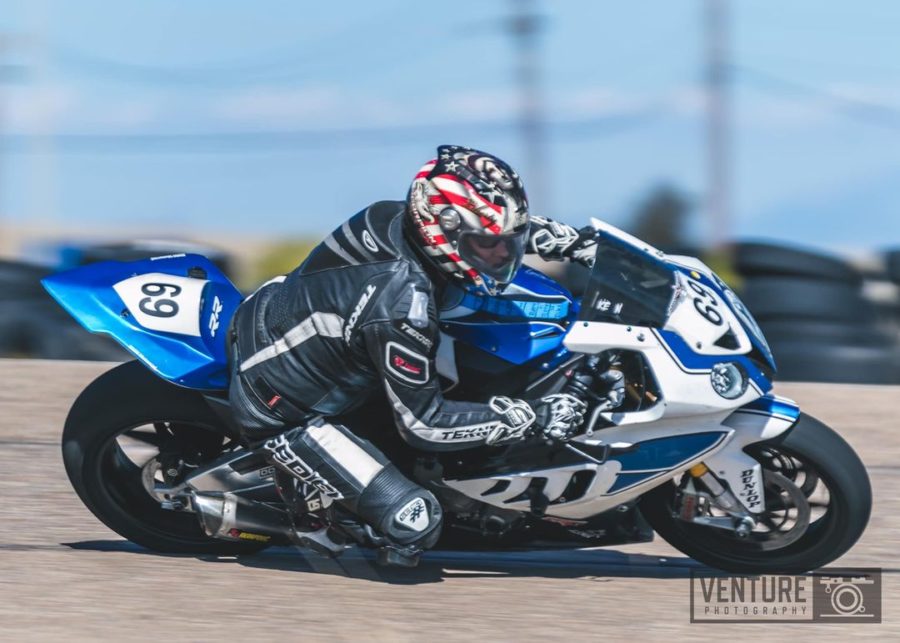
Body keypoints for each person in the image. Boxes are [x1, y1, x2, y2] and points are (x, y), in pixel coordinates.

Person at [228, 144, 599, 565]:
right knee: (417, 522)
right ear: (440, 232)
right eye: (486, 245)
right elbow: (424, 425)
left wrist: (563, 241)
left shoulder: (393, 215)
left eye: (506, 243)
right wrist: (530, 417)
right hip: (286, 408)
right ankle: (313, 518)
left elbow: (483, 228)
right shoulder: (402, 307)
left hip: (285, 324)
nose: (501, 255)